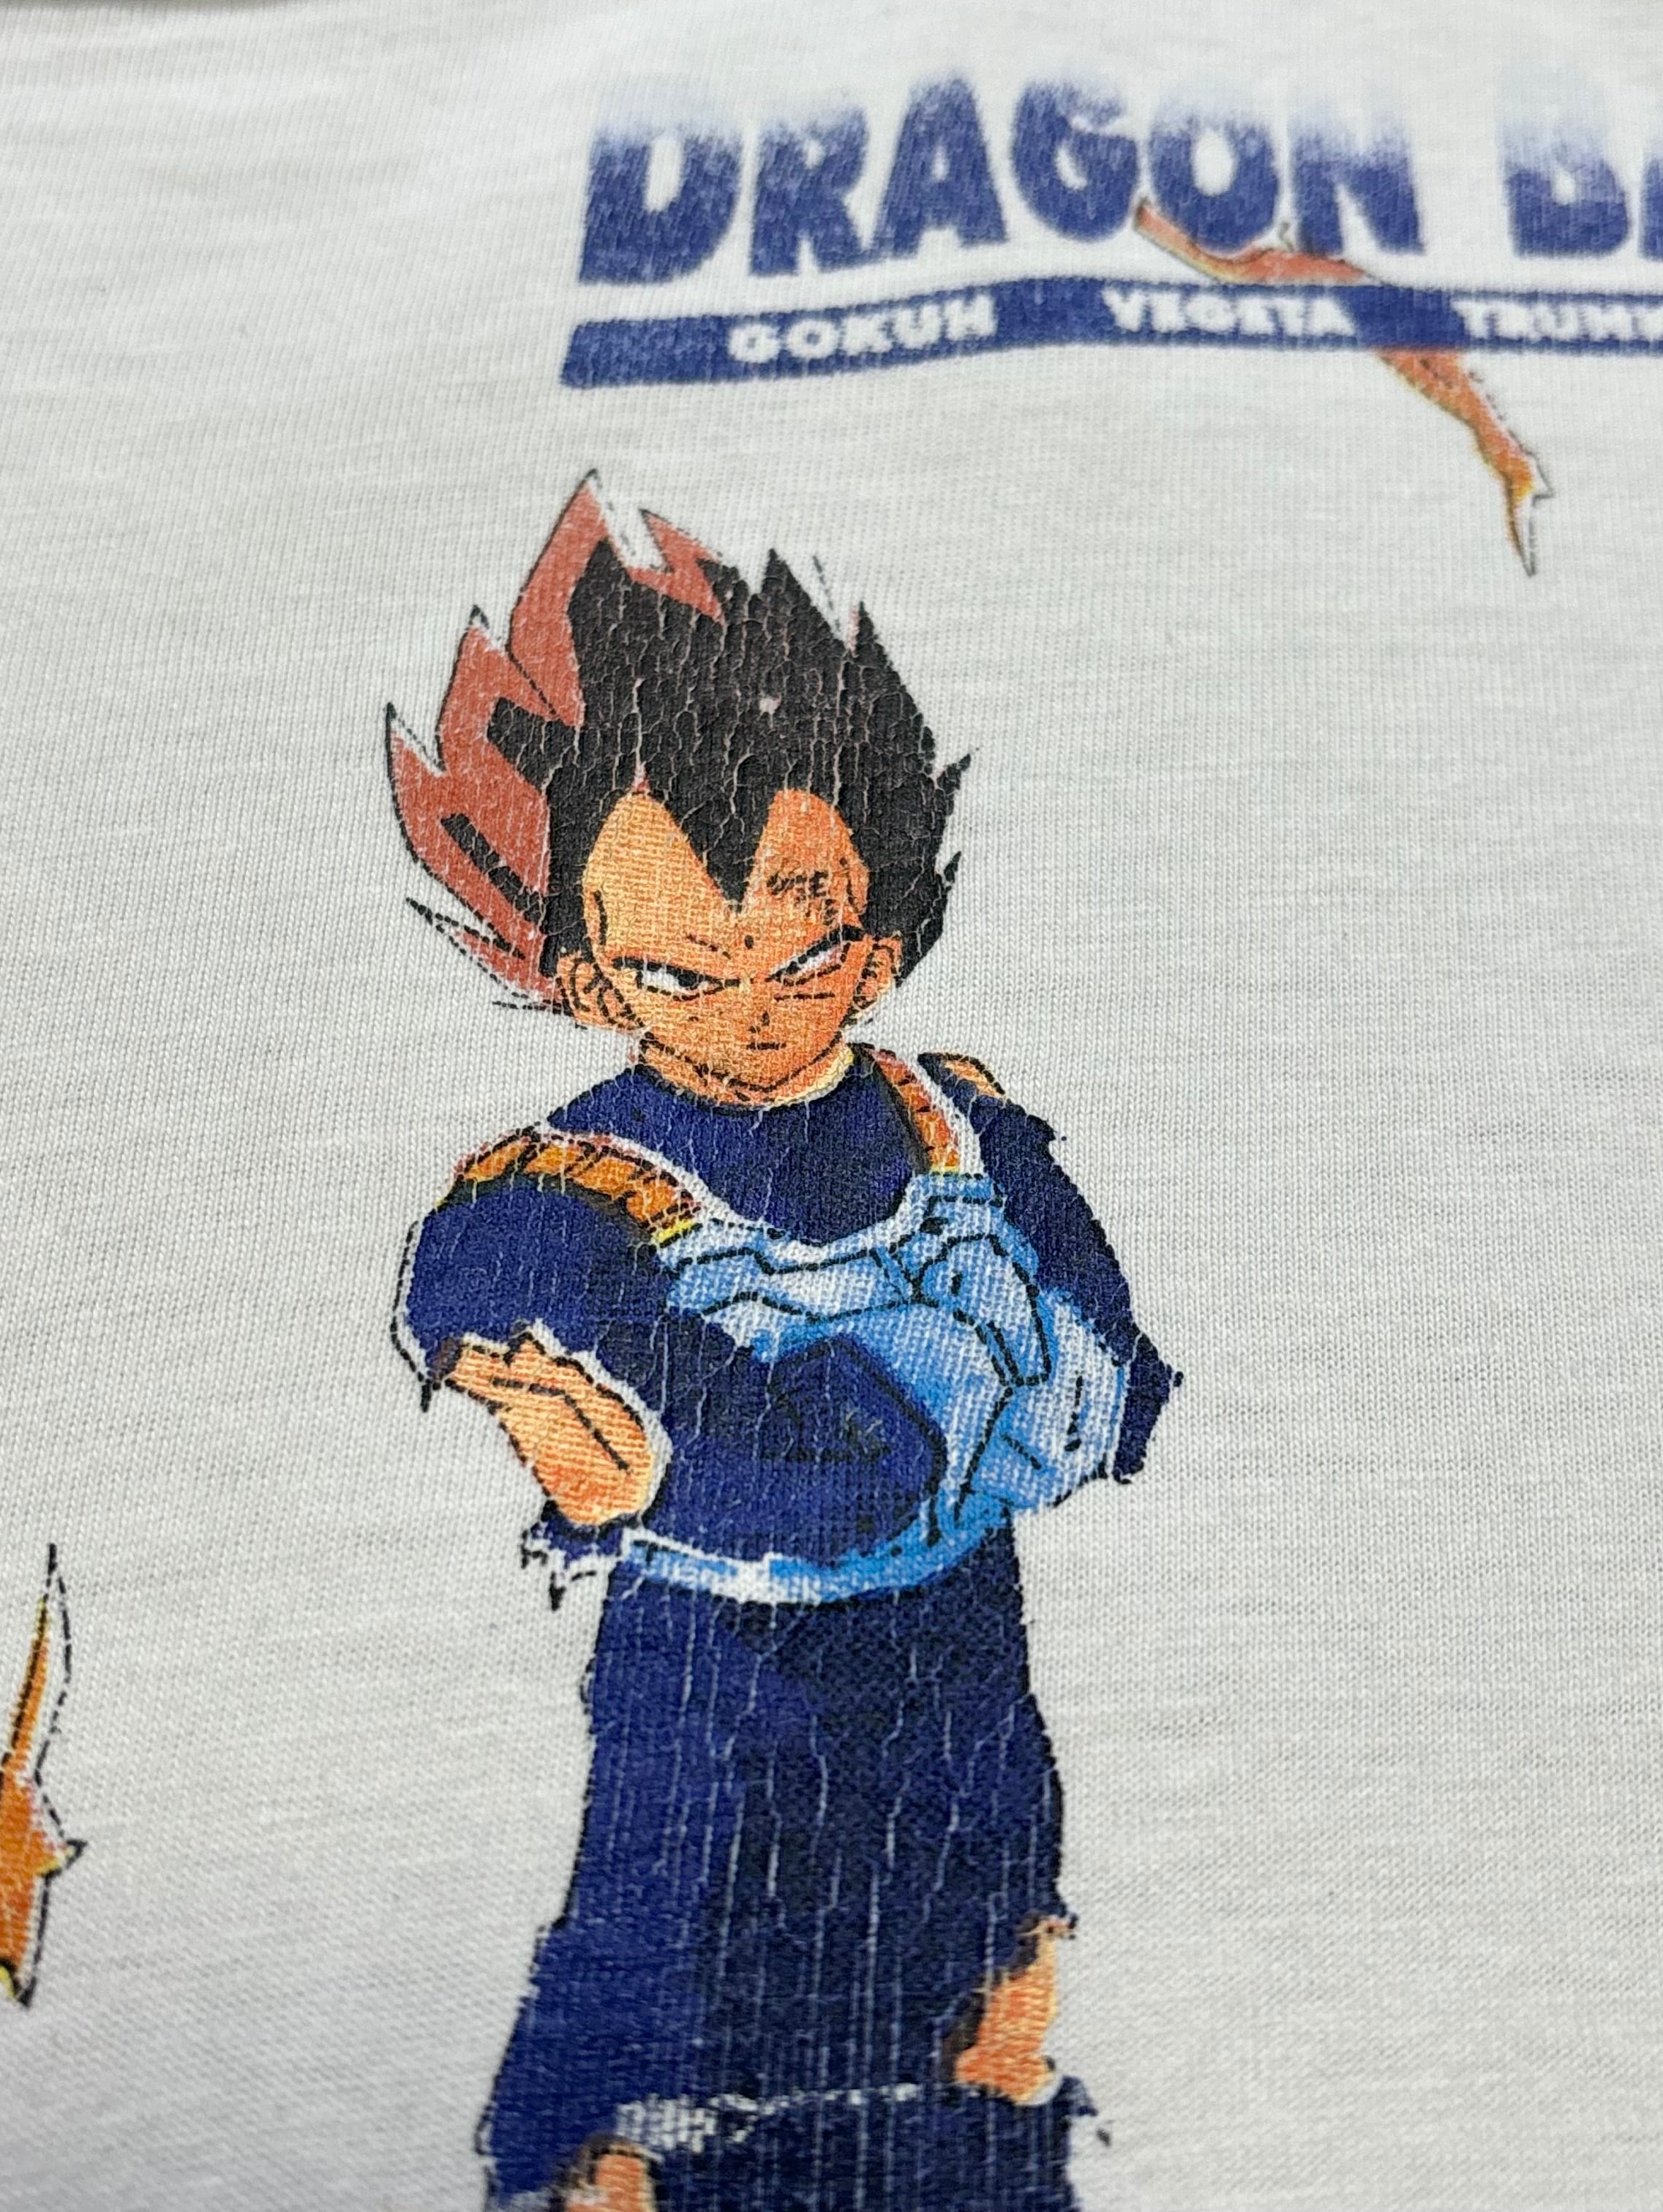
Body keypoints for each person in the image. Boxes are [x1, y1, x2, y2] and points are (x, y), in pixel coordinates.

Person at [391, 481, 1177, 2211]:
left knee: (975, 2055)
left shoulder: (964, 1129)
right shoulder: (560, 1201)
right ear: (582, 974)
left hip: (962, 1705)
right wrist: (813, 1444)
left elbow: (1111, 1386)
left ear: (881, 935)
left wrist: (836, 1435)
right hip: (720, 1725)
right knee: (664, 2081)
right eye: (684, 974)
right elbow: (793, 1468)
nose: (753, 1002)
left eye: (805, 951)